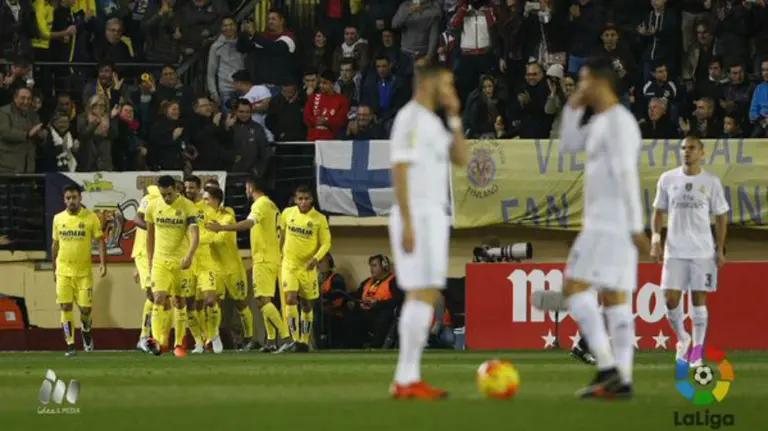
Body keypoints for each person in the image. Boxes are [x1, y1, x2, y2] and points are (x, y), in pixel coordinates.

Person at [540, 56, 649, 399]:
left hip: (609, 224)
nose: (580, 86)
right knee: (616, 300)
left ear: (600, 83)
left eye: (584, 81)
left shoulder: (619, 123)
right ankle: (623, 380)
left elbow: (626, 176)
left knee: (574, 289)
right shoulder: (602, 121)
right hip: (608, 223)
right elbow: (569, 144)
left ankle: (606, 366)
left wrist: (635, 227)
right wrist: (572, 106)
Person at [388, 63, 468, 400]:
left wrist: (455, 115)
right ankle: (406, 378)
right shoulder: (409, 118)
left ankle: (409, 377)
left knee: (429, 293)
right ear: (430, 82)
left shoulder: (435, 122)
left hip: (435, 214)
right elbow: (400, 169)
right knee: (420, 293)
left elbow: (461, 158)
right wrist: (407, 220)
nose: (450, 88)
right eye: (447, 82)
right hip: (416, 214)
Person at [651, 136, 729, 367]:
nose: (687, 152)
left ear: (702, 152)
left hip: (702, 251)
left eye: (692, 148)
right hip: (674, 250)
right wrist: (656, 240)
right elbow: (658, 211)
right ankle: (682, 339)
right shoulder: (668, 179)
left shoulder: (711, 182)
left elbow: (721, 215)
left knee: (698, 300)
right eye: (683, 148)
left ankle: (696, 352)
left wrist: (720, 247)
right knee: (670, 297)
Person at [206, 176, 293, 353]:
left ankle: (285, 337)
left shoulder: (259, 204)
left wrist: (221, 228)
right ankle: (270, 341)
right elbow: (283, 232)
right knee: (266, 299)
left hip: (263, 259)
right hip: (272, 257)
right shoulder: (273, 205)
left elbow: (248, 223)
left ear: (250, 187)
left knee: (261, 300)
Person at [144, 175, 200, 356]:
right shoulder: (153, 206)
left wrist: (190, 255)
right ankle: (159, 342)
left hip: (181, 261)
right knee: (158, 298)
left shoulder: (187, 207)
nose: (166, 198)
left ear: (176, 189)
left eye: (168, 194)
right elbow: (149, 235)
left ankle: (178, 343)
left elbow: (194, 234)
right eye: (163, 195)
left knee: (179, 301)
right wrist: (150, 260)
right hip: (160, 261)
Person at [51, 184, 106, 356]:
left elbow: (100, 241)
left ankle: (86, 331)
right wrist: (54, 267)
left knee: (85, 310)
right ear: (64, 200)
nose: (71, 201)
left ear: (80, 198)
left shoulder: (91, 218)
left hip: (83, 273)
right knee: (65, 306)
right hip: (63, 271)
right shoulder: (58, 219)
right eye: (68, 198)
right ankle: (71, 345)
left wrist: (103, 263)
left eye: (74, 197)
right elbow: (55, 244)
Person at [279, 186, 331, 352]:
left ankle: (304, 340)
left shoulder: (319, 219)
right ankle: (295, 340)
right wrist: (279, 254)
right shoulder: (287, 213)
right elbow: (282, 236)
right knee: (290, 299)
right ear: (295, 199)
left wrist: (315, 260)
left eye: (306, 198)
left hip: (308, 267)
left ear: (311, 199)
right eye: (300, 198)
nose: (303, 202)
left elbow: (326, 243)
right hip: (289, 264)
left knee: (306, 304)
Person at [132, 183, 166, 353]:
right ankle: (144, 337)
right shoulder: (150, 198)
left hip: (158, 253)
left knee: (159, 296)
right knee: (153, 295)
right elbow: (137, 219)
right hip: (144, 253)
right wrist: (154, 227)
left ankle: (150, 337)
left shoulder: (174, 205)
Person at [182, 175, 212, 354]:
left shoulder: (206, 209)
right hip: (186, 262)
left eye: (192, 187)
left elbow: (214, 230)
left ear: (199, 188)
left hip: (205, 261)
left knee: (208, 301)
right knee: (189, 303)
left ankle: (211, 337)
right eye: (187, 187)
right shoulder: (181, 208)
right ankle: (199, 342)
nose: (189, 191)